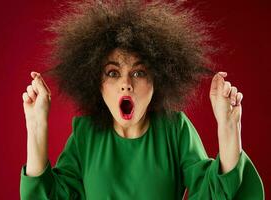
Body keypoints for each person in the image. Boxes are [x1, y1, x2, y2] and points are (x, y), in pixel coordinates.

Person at [20, 0, 264, 199]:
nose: (126, 83)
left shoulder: (174, 128)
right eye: (113, 73)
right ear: (97, 83)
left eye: (139, 72)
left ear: (157, 79)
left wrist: (229, 127)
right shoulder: (86, 134)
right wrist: (36, 125)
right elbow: (48, 196)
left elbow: (214, 193)